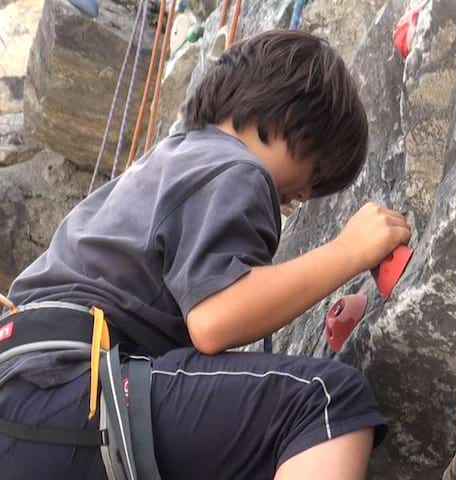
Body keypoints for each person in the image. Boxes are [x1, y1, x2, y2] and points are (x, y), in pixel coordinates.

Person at [0, 29, 411, 479]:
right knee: (327, 401)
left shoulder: (167, 165)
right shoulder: (234, 167)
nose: (303, 194)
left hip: (31, 395)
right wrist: (349, 251)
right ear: (282, 116)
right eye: (316, 171)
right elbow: (216, 319)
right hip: (72, 392)